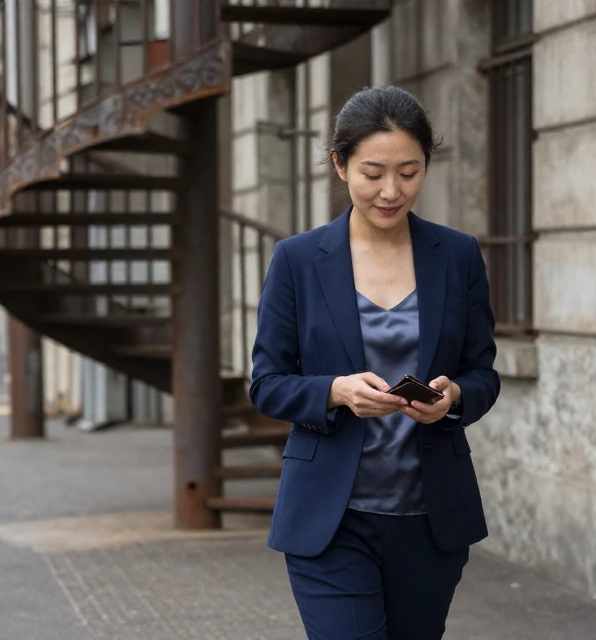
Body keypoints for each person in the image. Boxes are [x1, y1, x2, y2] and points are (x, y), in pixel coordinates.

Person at [249, 85, 501, 640]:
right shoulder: (297, 260)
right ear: (340, 166)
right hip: (330, 520)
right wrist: (335, 391)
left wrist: (453, 398)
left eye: (409, 173)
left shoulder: (457, 255)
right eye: (373, 173)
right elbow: (266, 384)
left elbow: (484, 373)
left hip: (429, 518)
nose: (391, 191)